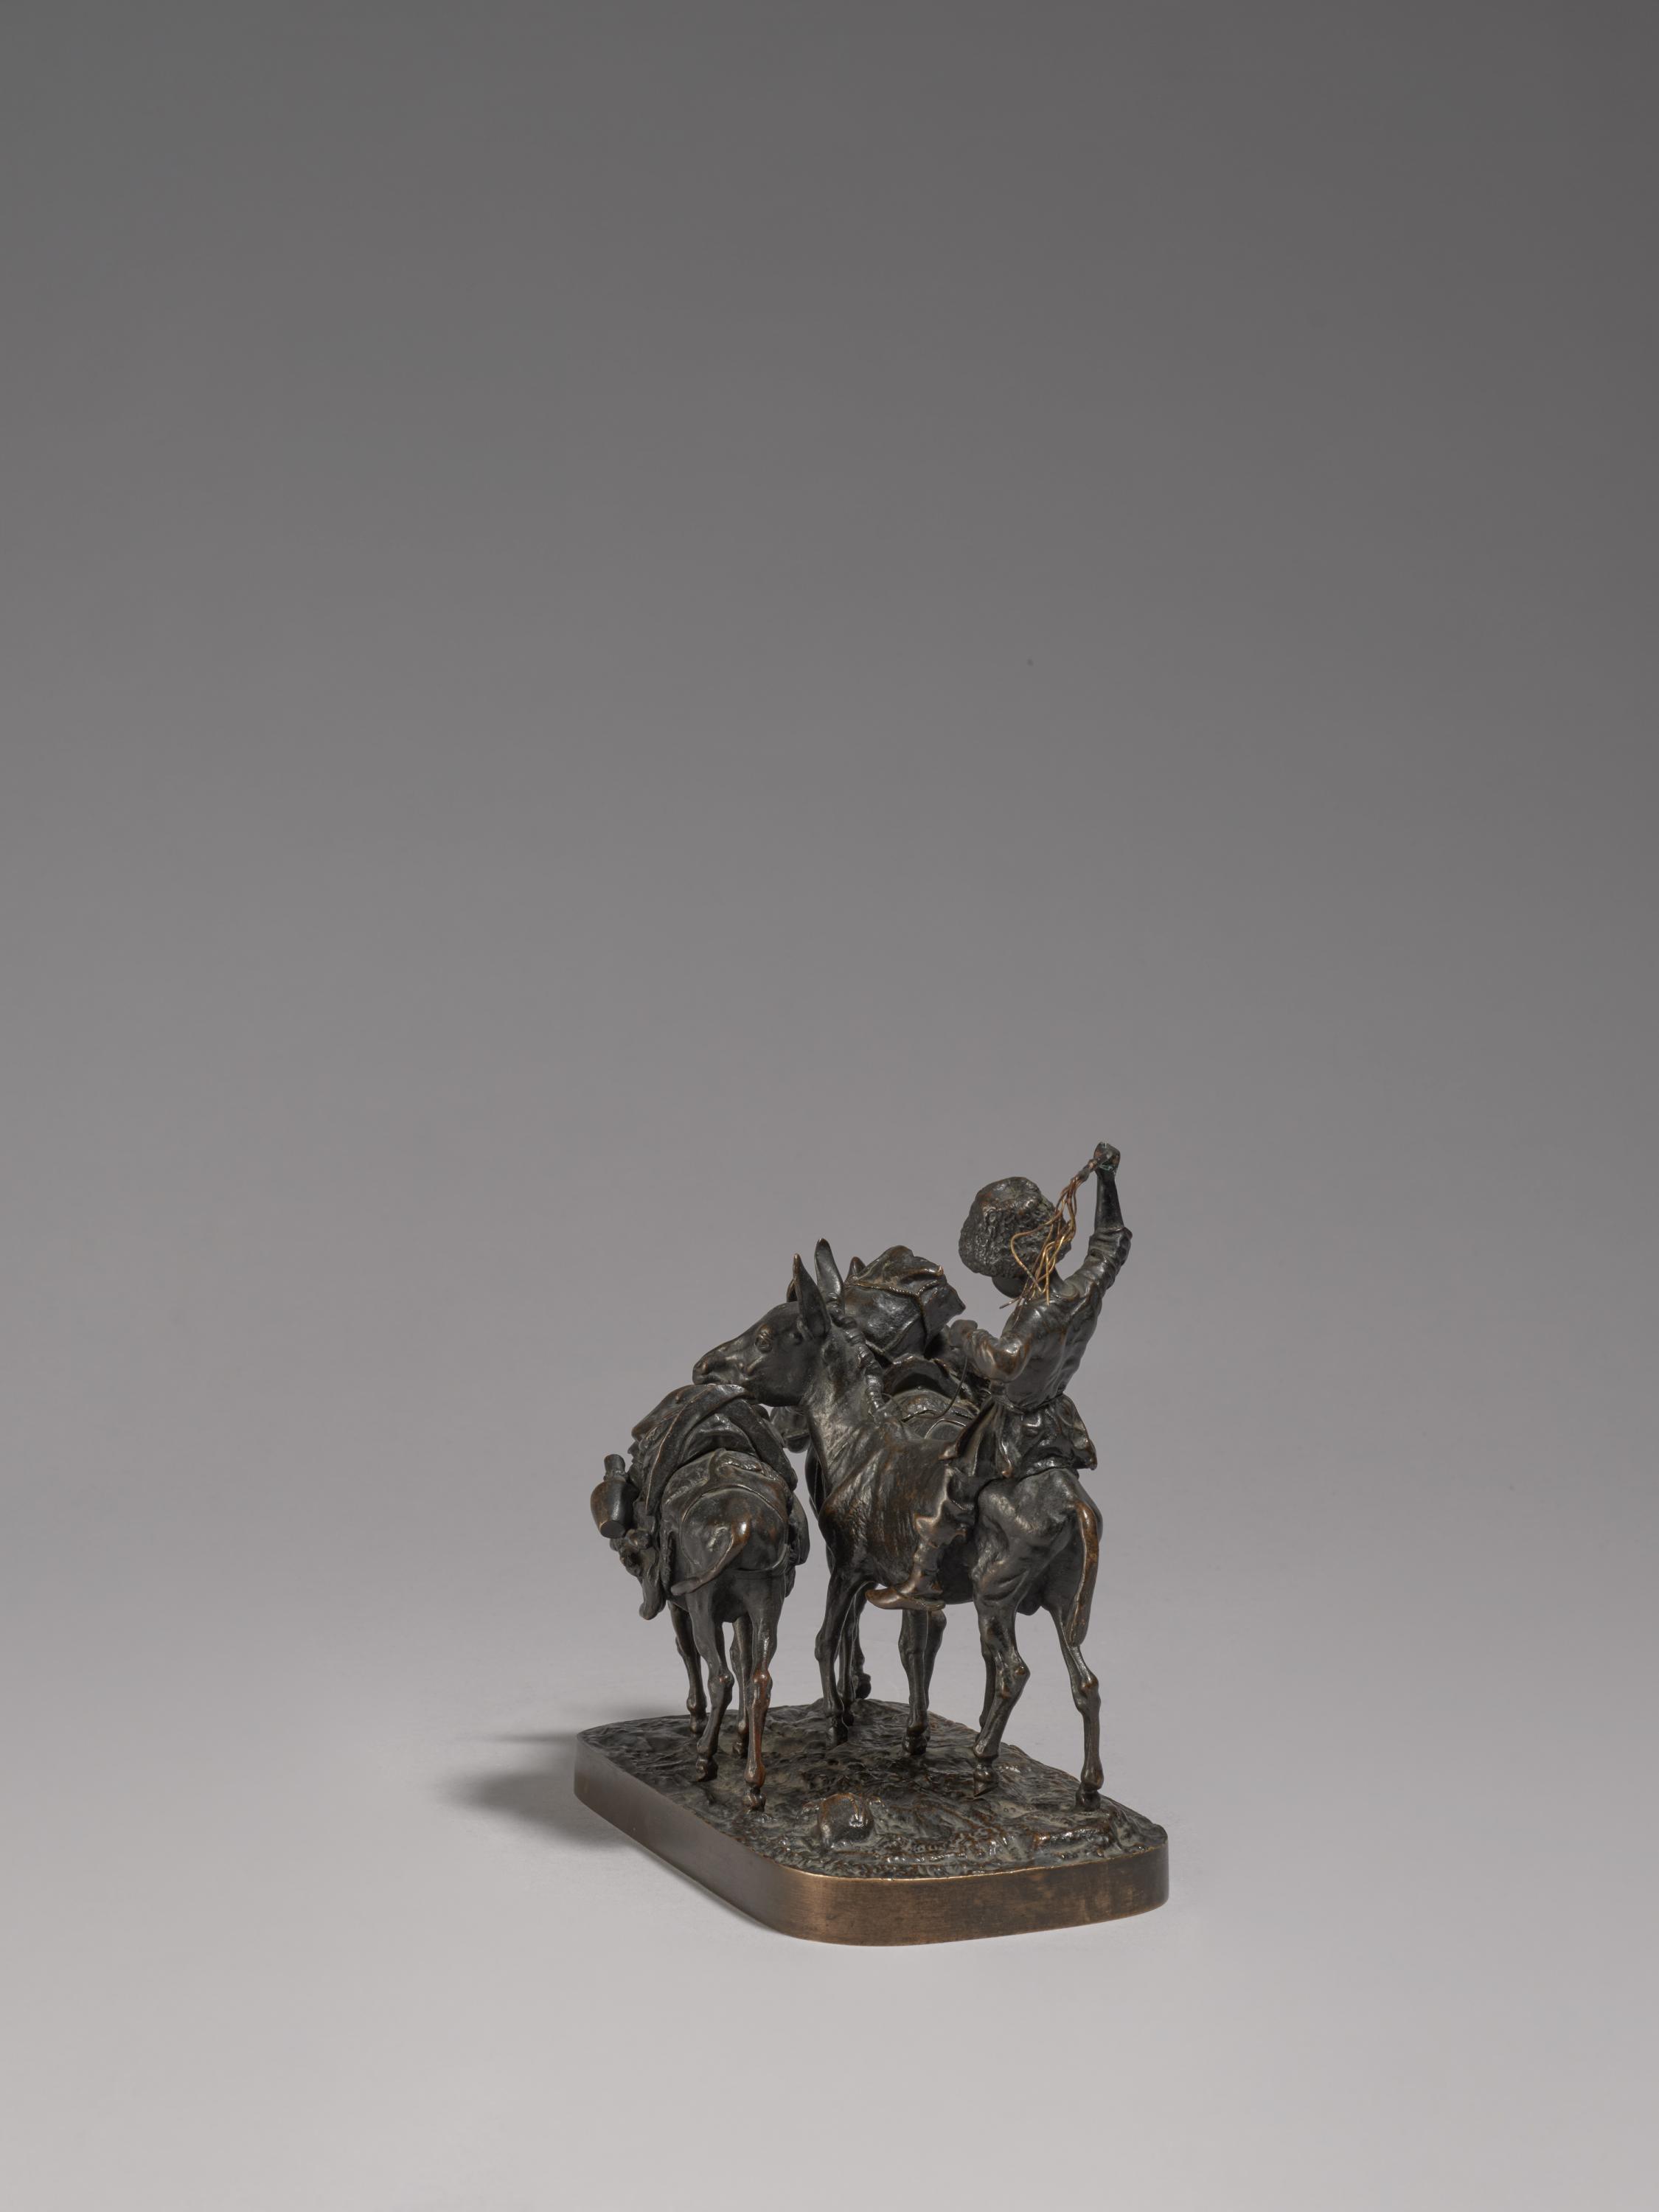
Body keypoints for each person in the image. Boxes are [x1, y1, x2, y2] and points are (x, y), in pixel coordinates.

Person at [874, 1143, 1130, 1606]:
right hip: (1056, 1418)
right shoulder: (1083, 1290)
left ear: (1013, 1268)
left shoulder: (1036, 1315)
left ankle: (923, 1576)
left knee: (954, 1482)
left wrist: (968, 1335)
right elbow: (1111, 1243)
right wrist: (1107, 1180)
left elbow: (1003, 1362)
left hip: (1016, 1424)